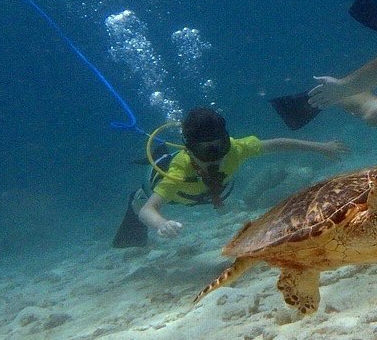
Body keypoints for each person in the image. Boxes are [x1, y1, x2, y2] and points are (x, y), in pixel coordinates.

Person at [112, 105, 347, 247]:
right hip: (158, 184)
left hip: (205, 194)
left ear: (227, 139)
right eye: (206, 150)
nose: (215, 156)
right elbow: (148, 211)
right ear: (190, 149)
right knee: (139, 202)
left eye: (220, 146)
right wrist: (161, 224)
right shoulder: (180, 169)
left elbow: (277, 144)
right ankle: (137, 194)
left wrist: (320, 147)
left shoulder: (236, 148)